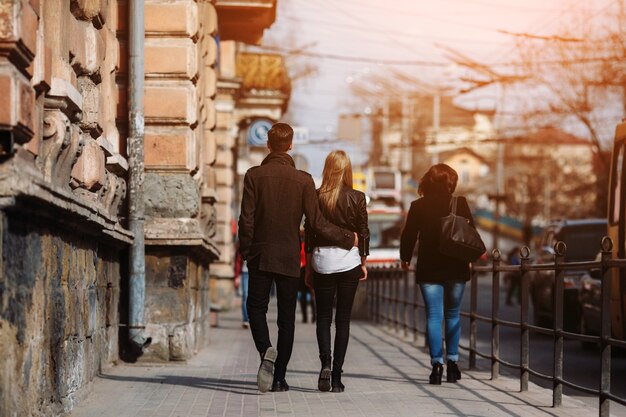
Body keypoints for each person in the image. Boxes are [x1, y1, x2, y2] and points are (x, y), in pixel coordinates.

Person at [238, 123, 357, 393]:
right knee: (286, 319)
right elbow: (316, 223)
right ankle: (279, 378)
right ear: (291, 145)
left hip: (260, 254)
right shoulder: (304, 180)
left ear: (268, 145)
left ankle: (266, 350)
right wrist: (348, 238)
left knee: (256, 309)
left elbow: (246, 219)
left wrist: (247, 250)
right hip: (290, 257)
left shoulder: (253, 175)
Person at [400, 163, 476, 385]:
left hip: (429, 267)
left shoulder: (418, 206)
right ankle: (453, 364)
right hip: (456, 265)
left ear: (429, 182)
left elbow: (409, 235)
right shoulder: (459, 203)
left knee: (434, 316)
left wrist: (405, 257)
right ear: (451, 182)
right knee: (452, 314)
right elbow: (471, 233)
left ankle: (436, 366)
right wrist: (470, 259)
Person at [304, 150, 369, 393]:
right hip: (349, 263)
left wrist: (310, 265)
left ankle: (325, 365)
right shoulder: (358, 197)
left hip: (322, 262)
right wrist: (363, 262)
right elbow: (363, 234)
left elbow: (309, 234)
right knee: (342, 321)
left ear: (328, 169)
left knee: (323, 318)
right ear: (347, 170)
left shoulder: (317, 196)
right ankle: (338, 376)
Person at [298, 241, 316, 323]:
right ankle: (313, 316)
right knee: (310, 295)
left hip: (303, 271)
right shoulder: (311, 245)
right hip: (307, 270)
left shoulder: (301, 246)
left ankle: (306, 317)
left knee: (305, 295)